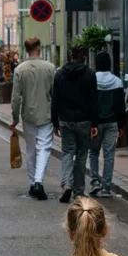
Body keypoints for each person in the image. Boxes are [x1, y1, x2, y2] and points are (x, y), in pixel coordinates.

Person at [9, 37, 55, 201]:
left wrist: (14, 118)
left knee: (30, 149)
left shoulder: (20, 69)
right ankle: (38, 181)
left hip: (28, 114)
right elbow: (55, 94)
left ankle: (32, 183)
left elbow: (15, 98)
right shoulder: (50, 68)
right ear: (39, 48)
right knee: (44, 148)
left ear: (26, 49)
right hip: (46, 114)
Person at [51, 44, 98, 204]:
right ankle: (78, 190)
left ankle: (66, 184)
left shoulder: (60, 75)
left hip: (65, 120)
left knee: (67, 152)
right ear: (84, 57)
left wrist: (55, 122)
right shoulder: (90, 75)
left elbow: (55, 100)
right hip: (84, 120)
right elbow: (93, 101)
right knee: (81, 155)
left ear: (71, 56)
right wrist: (95, 124)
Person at [89, 52, 125, 198]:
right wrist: (121, 125)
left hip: (96, 124)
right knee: (109, 155)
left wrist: (91, 122)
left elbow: (90, 103)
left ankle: (95, 181)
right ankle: (106, 188)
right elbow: (120, 106)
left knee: (94, 152)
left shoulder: (92, 80)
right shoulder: (117, 81)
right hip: (112, 123)